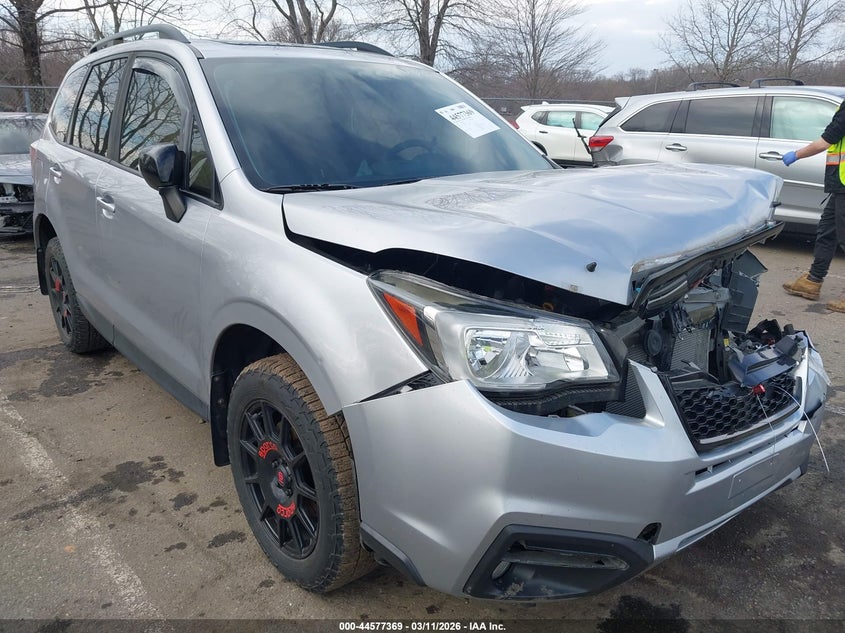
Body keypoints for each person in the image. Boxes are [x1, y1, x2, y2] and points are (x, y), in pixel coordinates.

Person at [781, 100, 845, 312]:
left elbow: (826, 141)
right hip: (839, 184)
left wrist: (796, 154)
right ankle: (813, 281)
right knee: (827, 231)